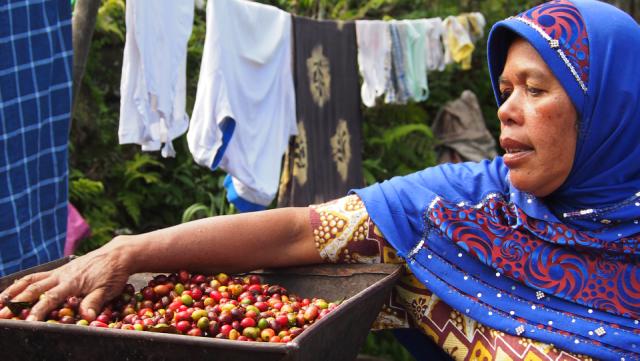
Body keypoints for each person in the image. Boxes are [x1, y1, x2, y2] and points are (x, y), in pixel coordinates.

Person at [2, 0, 639, 359]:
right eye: (504, 89)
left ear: (612, 107)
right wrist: (126, 251)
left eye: (536, 89)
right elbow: (295, 235)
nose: (505, 109)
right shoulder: (463, 207)